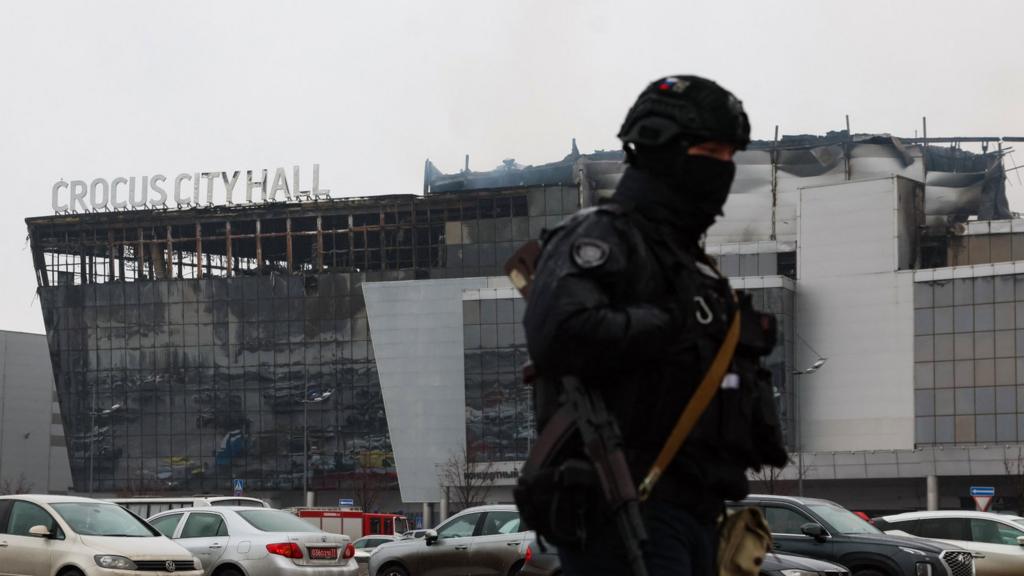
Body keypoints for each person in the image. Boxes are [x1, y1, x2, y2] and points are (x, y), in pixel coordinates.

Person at [521, 75, 788, 576]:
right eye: (711, 152)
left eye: (730, 155)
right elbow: (562, 331)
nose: (723, 169)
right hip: (627, 508)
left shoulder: (692, 266)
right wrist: (671, 323)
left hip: (697, 510)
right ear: (663, 150)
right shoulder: (603, 237)